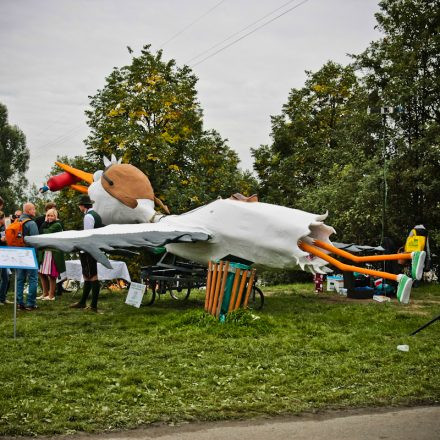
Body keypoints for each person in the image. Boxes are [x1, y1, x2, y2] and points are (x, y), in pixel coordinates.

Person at [70, 195, 103, 312]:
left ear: (83, 206)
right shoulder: (96, 215)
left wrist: (82, 249)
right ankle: (83, 302)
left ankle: (93, 305)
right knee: (87, 276)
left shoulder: (88, 216)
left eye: (79, 205)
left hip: (89, 249)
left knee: (93, 276)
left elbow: (87, 236)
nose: (79, 207)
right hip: (93, 248)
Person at [37, 208, 66, 301]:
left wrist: (44, 224)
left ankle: (51, 295)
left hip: (53, 252)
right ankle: (45, 293)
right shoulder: (48, 224)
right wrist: (45, 223)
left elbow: (45, 232)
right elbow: (41, 231)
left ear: (55, 216)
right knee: (41, 273)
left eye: (51, 215)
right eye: (48, 215)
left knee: (51, 274)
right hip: (45, 251)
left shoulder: (57, 224)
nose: (49, 217)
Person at [16, 203, 39, 311]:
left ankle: (19, 303)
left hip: (18, 253)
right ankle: (30, 303)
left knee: (20, 279)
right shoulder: (31, 223)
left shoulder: (16, 221)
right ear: (28, 210)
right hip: (29, 253)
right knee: (33, 279)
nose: (35, 211)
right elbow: (35, 241)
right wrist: (37, 255)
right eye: (33, 209)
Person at [0, 211, 11, 305]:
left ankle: (2, 298)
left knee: (6, 277)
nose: (5, 220)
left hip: (4, 254)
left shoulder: (5, 227)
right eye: (3, 218)